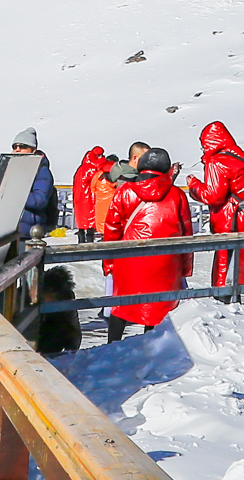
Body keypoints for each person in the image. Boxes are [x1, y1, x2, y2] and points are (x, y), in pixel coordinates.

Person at [101, 147, 192, 343]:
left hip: (128, 260)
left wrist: (108, 263)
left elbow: (112, 230)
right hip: (167, 262)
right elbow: (186, 234)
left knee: (121, 305)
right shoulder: (177, 195)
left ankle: (112, 346)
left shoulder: (125, 191)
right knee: (157, 308)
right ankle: (150, 346)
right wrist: (185, 268)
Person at [184, 121, 244, 290]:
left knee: (226, 263)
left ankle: (225, 294)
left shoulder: (218, 161)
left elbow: (213, 196)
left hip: (232, 219)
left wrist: (194, 185)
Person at [5, 130, 58, 239]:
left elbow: (39, 201)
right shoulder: (9, 168)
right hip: (6, 231)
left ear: (33, 150)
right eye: (15, 147)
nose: (17, 149)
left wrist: (12, 192)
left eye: (23, 146)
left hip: (28, 233)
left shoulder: (41, 171)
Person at [69, 146, 107, 241]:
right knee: (90, 221)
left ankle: (81, 240)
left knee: (81, 221)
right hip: (88, 198)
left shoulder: (81, 168)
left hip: (79, 198)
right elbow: (97, 180)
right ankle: (89, 241)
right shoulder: (92, 168)